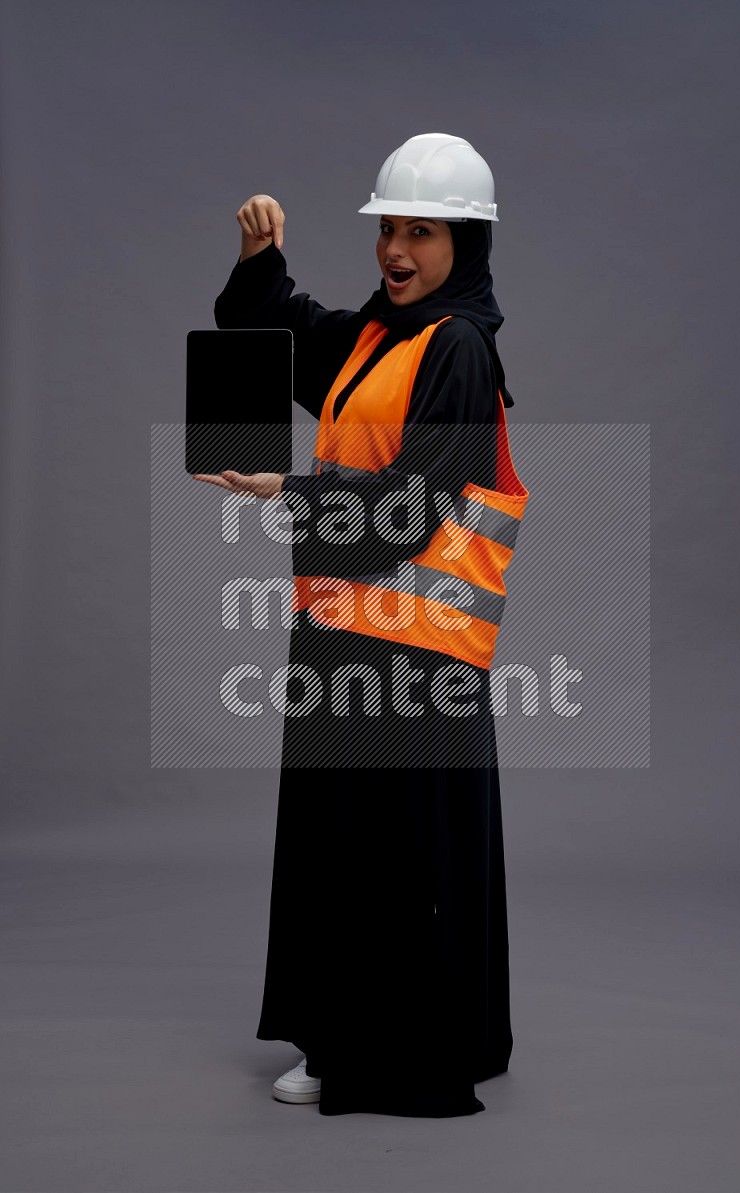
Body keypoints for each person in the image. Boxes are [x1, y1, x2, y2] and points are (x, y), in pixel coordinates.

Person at [199, 133, 528, 1117]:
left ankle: (395, 1051)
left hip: (418, 655)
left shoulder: (459, 347)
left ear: (463, 243)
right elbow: (276, 328)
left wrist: (283, 491)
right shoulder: (377, 336)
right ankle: (338, 1033)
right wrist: (261, 261)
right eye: (389, 227)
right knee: (338, 848)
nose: (397, 249)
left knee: (397, 858)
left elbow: (414, 505)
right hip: (342, 633)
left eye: (420, 232)